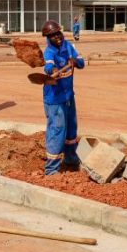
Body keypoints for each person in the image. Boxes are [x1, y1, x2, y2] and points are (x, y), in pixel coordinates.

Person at [41, 20, 85, 175]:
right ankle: (51, 169)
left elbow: (82, 62)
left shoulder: (69, 46)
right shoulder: (49, 51)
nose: (57, 37)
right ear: (48, 38)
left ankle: (71, 159)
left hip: (68, 95)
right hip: (54, 98)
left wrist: (76, 61)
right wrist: (52, 70)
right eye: (52, 36)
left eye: (58, 33)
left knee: (71, 128)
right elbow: (48, 65)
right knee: (57, 129)